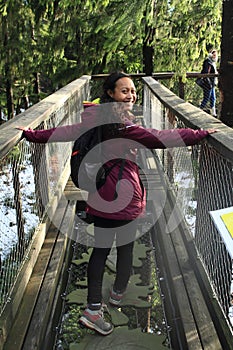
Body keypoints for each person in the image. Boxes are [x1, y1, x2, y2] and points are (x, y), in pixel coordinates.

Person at [18, 71, 218, 336]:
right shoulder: (125, 127)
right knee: (125, 247)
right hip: (124, 199)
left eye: (133, 91)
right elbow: (161, 137)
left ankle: (92, 308)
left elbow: (61, 133)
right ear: (110, 93)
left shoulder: (92, 120)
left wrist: (33, 135)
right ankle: (116, 295)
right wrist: (199, 133)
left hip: (100, 197)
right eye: (125, 91)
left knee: (100, 251)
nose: (131, 95)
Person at [200, 49, 218, 117]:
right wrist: (209, 83)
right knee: (207, 97)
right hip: (207, 83)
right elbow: (206, 73)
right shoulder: (208, 62)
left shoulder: (213, 62)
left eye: (215, 55)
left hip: (212, 83)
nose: (214, 56)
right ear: (210, 54)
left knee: (213, 98)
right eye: (213, 55)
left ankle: (213, 113)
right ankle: (200, 109)